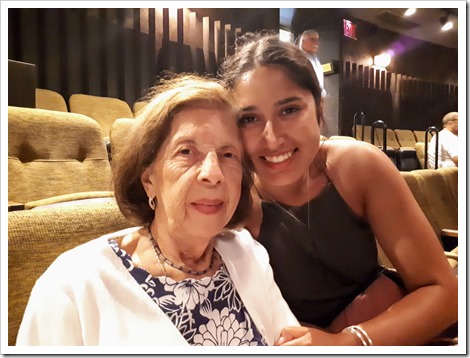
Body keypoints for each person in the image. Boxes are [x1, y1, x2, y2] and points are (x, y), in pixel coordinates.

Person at [16, 74, 300, 346]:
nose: (213, 174)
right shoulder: (73, 285)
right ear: (149, 180)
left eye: (228, 155)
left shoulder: (248, 252)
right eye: (186, 152)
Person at [219, 32, 458, 346]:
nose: (273, 137)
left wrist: (345, 342)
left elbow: (442, 293)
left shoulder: (357, 166)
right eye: (249, 118)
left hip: (383, 330)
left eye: (289, 110)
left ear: (318, 107)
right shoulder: (230, 197)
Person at [299, 29, 326, 97]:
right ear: (303, 41)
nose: (316, 43)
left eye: (317, 40)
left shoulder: (316, 60)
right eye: (312, 39)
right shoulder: (297, 58)